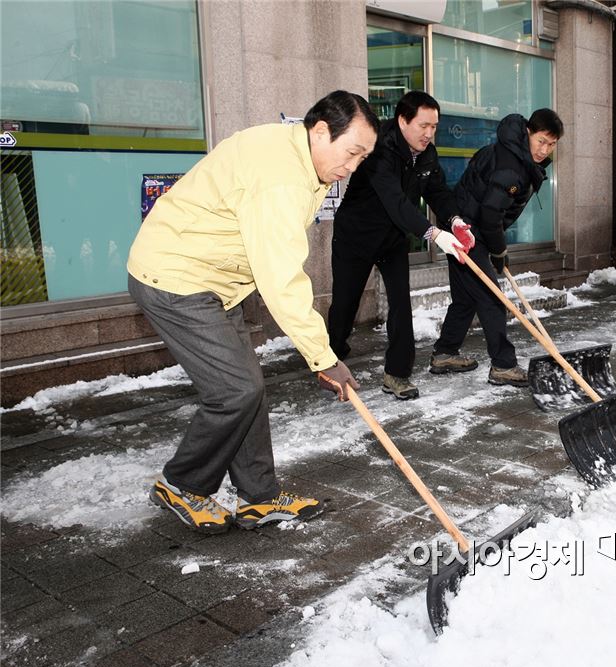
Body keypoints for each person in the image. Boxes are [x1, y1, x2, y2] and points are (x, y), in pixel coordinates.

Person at [127, 91, 379, 533]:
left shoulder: (298, 159)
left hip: (215, 281)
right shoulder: (280, 175)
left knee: (248, 389)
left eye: (362, 158)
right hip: (175, 277)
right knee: (235, 391)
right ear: (320, 131)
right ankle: (181, 484)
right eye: (352, 153)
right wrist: (324, 358)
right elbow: (280, 276)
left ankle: (258, 497)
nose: (352, 167)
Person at [328, 91, 467, 401]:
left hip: (392, 239)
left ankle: (397, 374)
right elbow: (396, 202)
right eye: (423, 126)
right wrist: (433, 234)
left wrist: (455, 221)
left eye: (434, 126)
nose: (429, 133)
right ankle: (329, 358)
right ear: (403, 120)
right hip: (356, 237)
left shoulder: (427, 153)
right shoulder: (378, 148)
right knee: (344, 309)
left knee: (401, 305)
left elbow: (438, 192)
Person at [430, 108, 563, 386]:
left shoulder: (513, 154)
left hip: (461, 226)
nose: (544, 149)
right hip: (470, 232)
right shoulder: (511, 167)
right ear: (528, 132)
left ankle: (445, 353)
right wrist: (499, 250)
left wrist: (494, 246)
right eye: (541, 141)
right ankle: (503, 365)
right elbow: (491, 214)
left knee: (467, 298)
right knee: (492, 298)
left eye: (551, 144)